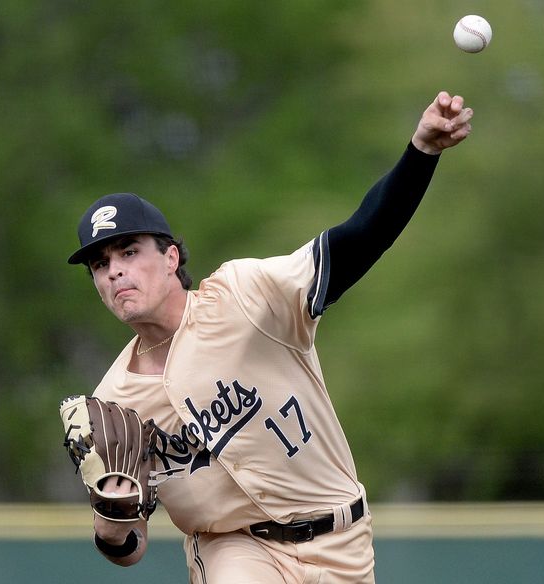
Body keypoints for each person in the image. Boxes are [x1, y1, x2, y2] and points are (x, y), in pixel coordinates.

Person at [66, 91, 473, 583]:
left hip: (341, 542)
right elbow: (130, 549)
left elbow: (361, 236)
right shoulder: (114, 401)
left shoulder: (244, 296)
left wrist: (421, 154)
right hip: (234, 550)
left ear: (171, 258)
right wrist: (111, 526)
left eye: (129, 251)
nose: (115, 272)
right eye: (100, 264)